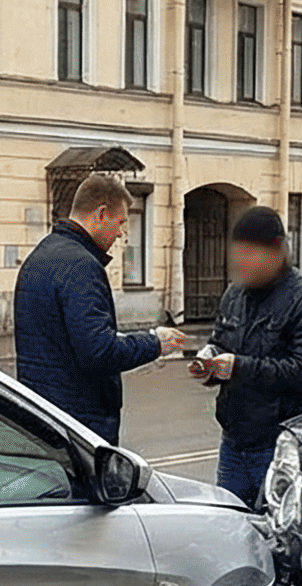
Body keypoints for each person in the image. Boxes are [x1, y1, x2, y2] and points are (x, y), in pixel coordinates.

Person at [14, 171, 184, 440]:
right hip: (80, 423)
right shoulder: (82, 266)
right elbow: (98, 351)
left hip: (43, 414)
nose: (121, 234)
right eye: (120, 222)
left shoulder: (41, 254)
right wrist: (155, 343)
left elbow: (65, 339)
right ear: (101, 214)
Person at [189, 205, 302, 508]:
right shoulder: (234, 295)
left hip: (278, 444)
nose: (241, 260)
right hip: (234, 439)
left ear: (277, 253)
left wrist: (238, 367)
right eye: (238, 252)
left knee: (274, 531)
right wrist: (210, 361)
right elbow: (220, 341)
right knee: (229, 522)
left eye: (251, 252)